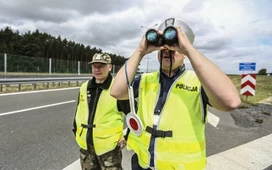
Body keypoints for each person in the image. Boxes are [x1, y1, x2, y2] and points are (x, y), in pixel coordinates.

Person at [110, 18, 241, 170]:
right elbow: (116, 91)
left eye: (173, 47)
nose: (167, 51)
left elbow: (230, 102)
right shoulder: (146, 79)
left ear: (183, 52)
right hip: (143, 164)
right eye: (163, 48)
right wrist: (140, 51)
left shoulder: (198, 82)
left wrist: (189, 50)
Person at [73, 53, 130, 170]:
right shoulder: (84, 87)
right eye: (95, 66)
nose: (97, 69)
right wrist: (76, 131)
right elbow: (79, 112)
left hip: (109, 150)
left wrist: (128, 136)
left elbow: (135, 116)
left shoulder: (117, 88)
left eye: (101, 66)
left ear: (110, 67)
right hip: (86, 147)